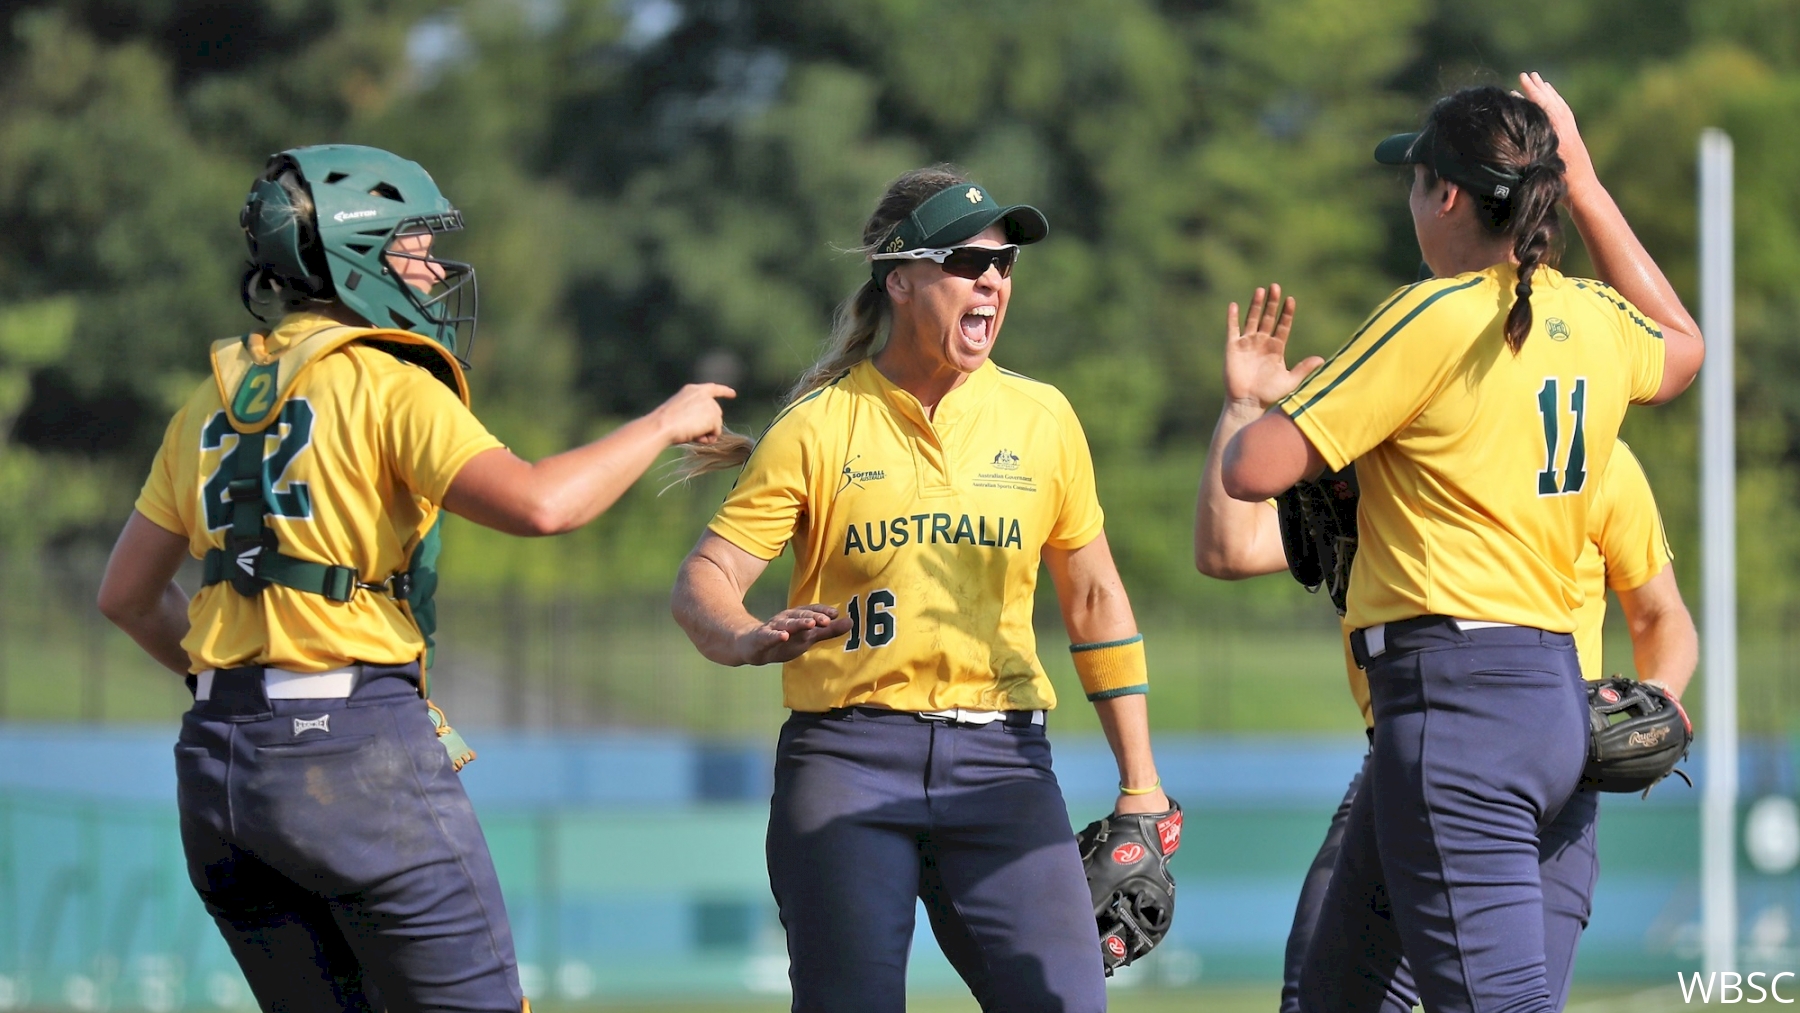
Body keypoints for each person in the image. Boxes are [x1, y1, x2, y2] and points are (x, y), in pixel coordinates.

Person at [96, 144, 732, 1011]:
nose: (433, 268)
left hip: (217, 769)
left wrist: (243, 683)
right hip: (353, 758)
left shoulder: (206, 401)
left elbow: (125, 597)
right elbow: (543, 504)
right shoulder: (387, 381)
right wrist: (664, 421)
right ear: (360, 253)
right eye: (414, 245)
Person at [1218, 74, 1705, 1013]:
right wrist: (1590, 183)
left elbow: (1252, 469)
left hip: (1456, 703)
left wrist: (1285, 400)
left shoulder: (1427, 314)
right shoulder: (1591, 319)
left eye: (1414, 182)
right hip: (1548, 699)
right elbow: (1682, 343)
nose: (1410, 202)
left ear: (1446, 195)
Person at [668, 166, 1175, 1013]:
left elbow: (1094, 601)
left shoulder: (1043, 417)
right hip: (848, 759)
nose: (992, 281)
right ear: (899, 279)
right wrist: (743, 634)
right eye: (966, 262)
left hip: (1004, 763)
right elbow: (704, 578)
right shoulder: (821, 426)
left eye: (1004, 265)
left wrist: (1142, 782)